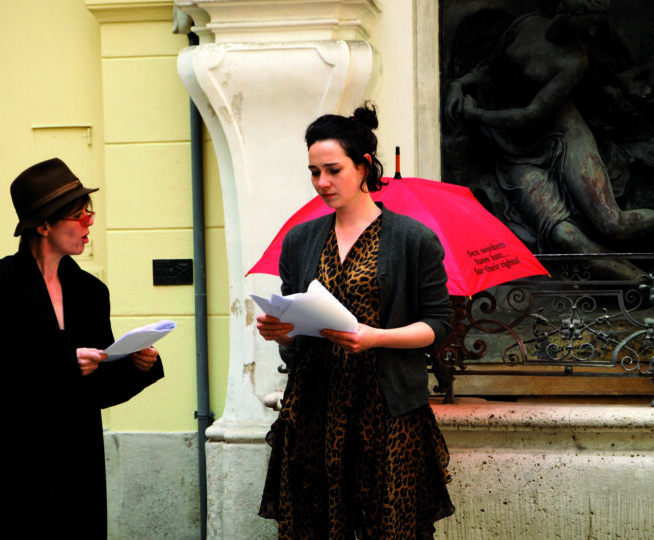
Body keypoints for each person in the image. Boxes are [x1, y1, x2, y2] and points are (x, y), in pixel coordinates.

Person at [0, 158, 164, 538]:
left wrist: (137, 366)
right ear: (43, 225)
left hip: (74, 474)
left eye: (88, 211)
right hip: (3, 473)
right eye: (79, 214)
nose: (90, 222)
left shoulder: (91, 292)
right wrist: (64, 364)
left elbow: (97, 389)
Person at [256, 103, 455, 539]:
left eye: (333, 170)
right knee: (315, 525)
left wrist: (376, 337)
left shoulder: (412, 239)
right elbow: (295, 335)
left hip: (386, 411)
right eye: (313, 172)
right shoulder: (301, 239)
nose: (322, 183)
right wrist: (282, 332)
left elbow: (439, 324)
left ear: (364, 166)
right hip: (313, 409)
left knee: (389, 525)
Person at [444, 0, 654, 279]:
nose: (591, 30)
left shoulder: (577, 60)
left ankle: (642, 282)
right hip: (515, 151)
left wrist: (476, 115)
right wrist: (459, 85)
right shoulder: (525, 23)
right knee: (562, 235)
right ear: (571, 12)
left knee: (611, 223)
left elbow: (532, 114)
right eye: (590, 21)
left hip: (565, 134)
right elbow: (488, 71)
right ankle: (638, 280)